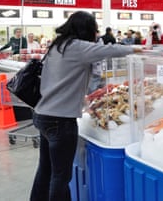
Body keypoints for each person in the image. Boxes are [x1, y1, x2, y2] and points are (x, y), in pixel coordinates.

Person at [30, 11, 142, 201]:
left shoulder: (58, 45)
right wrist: (137, 49)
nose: (96, 34)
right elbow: (109, 51)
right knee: (61, 176)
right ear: (86, 29)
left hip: (42, 114)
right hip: (60, 120)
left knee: (46, 170)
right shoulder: (77, 47)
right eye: (94, 30)